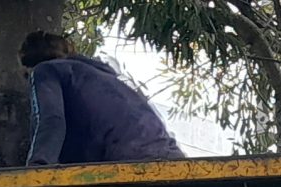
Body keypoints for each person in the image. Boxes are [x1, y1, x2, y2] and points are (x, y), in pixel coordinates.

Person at [22, 31, 184, 167]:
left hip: (125, 158)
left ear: (29, 64)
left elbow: (51, 120)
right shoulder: (105, 77)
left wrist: (37, 168)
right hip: (170, 156)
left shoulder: (45, 71)